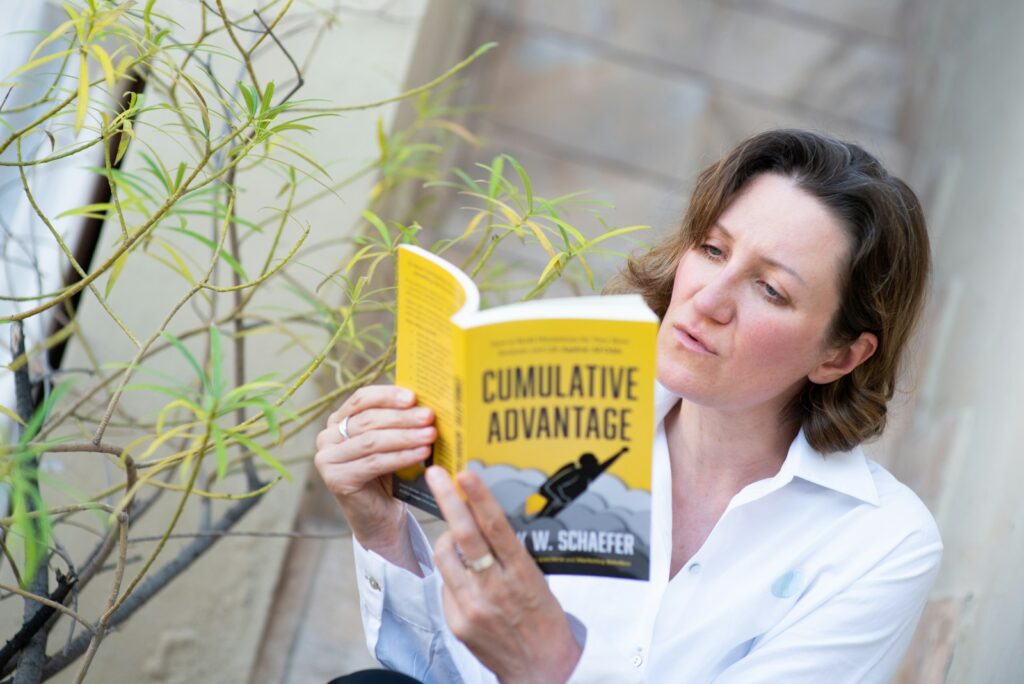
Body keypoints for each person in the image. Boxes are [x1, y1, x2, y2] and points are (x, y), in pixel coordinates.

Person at [313, 129, 942, 683]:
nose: (706, 299)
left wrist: (553, 666)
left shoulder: (879, 543)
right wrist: (380, 529)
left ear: (840, 356)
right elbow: (442, 672)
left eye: (771, 289)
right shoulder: (563, 414)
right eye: (713, 250)